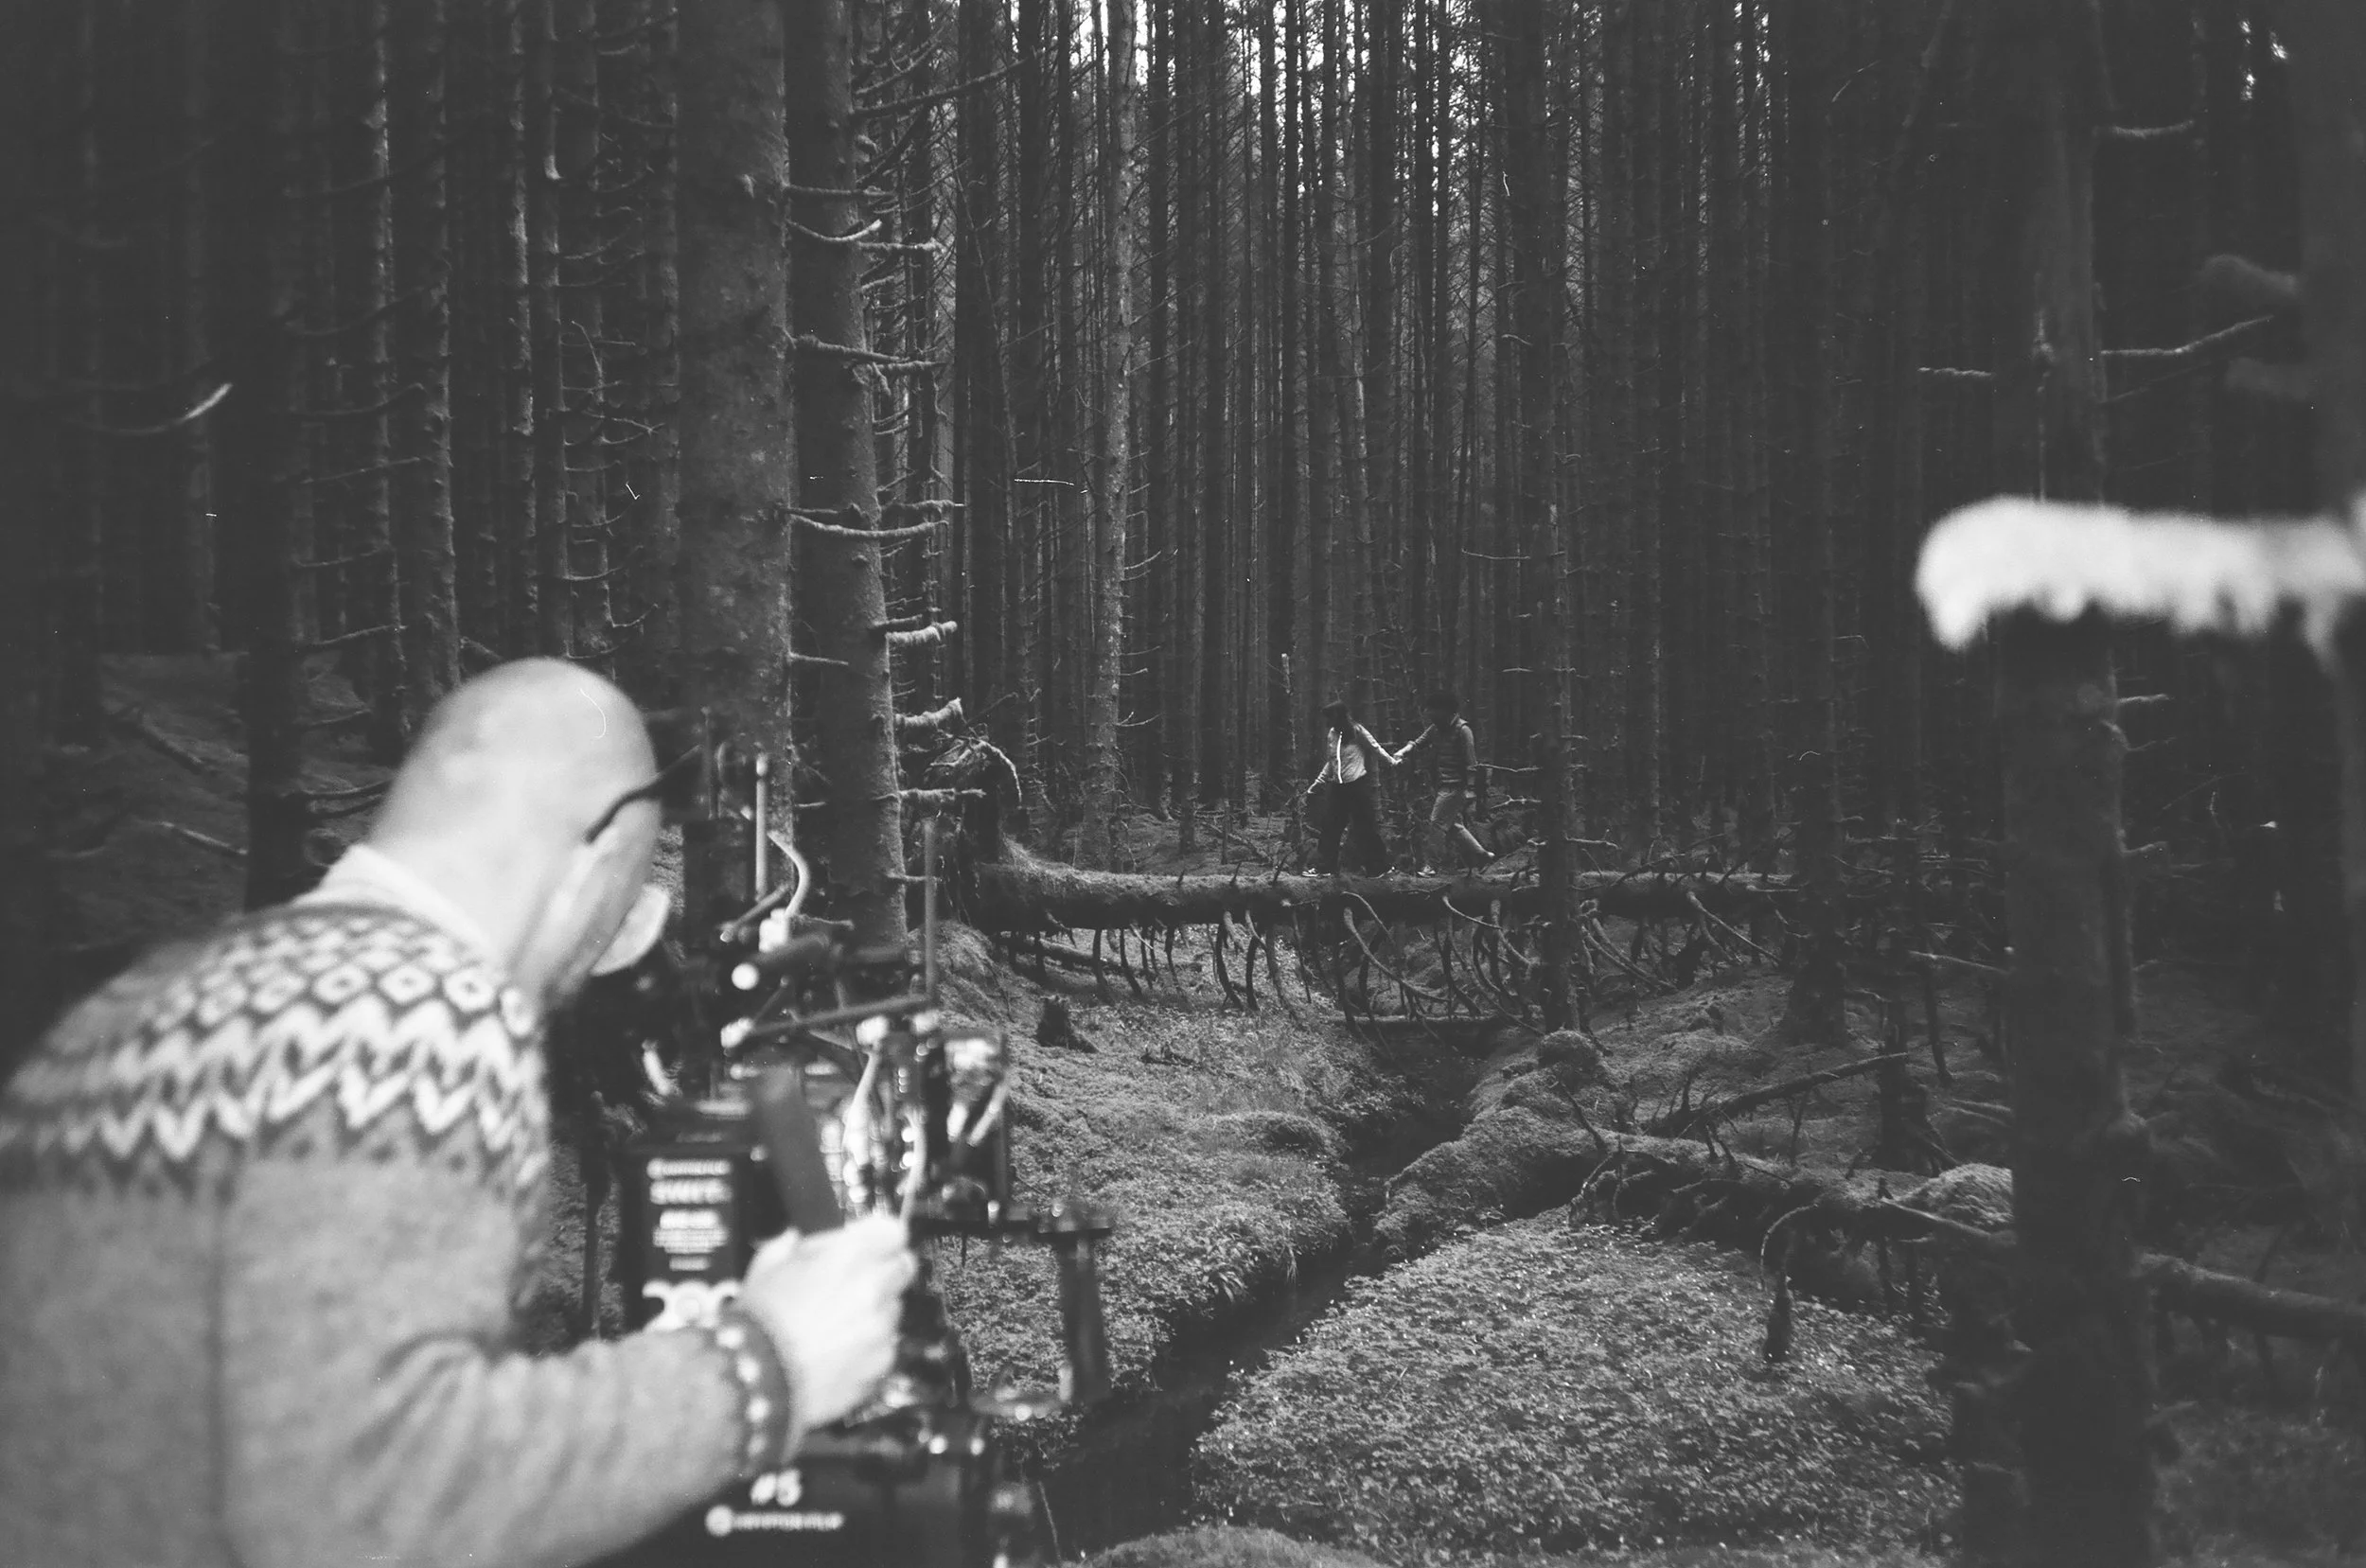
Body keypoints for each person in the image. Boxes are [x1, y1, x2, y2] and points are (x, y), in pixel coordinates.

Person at [0, 659, 915, 1568]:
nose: (614, 946)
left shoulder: (118, 1014)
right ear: (596, 858)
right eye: (631, 889)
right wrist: (766, 1364)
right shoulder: (422, 1009)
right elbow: (365, 1503)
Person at [1394, 688, 1495, 874]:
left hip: (1456, 787)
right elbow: (1418, 743)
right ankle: (1482, 855)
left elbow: (1471, 763)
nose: (1429, 713)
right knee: (1454, 826)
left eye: (1433, 709)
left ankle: (1431, 866)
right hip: (1443, 785)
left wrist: (1471, 789)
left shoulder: (1463, 730)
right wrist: (1402, 752)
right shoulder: (1436, 728)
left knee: (1436, 823)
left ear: (1445, 710)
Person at [1304, 697, 1398, 875]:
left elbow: (1375, 748)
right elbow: (1332, 762)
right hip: (1338, 788)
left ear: (1339, 716)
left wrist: (1392, 762)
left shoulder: (1357, 731)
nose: (1328, 722)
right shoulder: (1332, 735)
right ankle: (1325, 867)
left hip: (1357, 786)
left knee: (1365, 828)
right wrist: (1318, 783)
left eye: (1330, 717)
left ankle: (1379, 868)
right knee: (1330, 827)